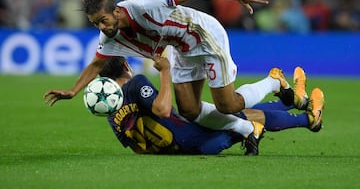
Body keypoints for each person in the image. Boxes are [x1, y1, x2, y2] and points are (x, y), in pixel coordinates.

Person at [43, 0, 307, 154]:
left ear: (116, 12)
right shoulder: (110, 37)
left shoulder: (145, 5)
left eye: (102, 20)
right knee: (189, 111)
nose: (101, 28)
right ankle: (249, 130)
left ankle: (274, 82)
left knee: (228, 105)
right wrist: (73, 91)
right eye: (95, 24)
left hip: (204, 36)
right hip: (180, 49)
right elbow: (96, 64)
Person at [96, 56, 324, 155]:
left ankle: (298, 101)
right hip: (195, 137)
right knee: (239, 114)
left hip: (194, 150)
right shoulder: (136, 83)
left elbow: (136, 147)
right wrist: (165, 71)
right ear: (126, 65)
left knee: (239, 115)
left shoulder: (110, 113)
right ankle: (306, 115)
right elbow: (163, 109)